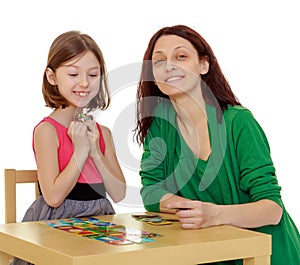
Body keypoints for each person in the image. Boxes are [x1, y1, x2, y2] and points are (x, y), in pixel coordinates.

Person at [135, 25, 299, 265]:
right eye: (159, 61)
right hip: (212, 255)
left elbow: (272, 209)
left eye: (181, 56)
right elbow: (151, 191)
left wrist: (213, 214)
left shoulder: (238, 122)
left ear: (203, 65)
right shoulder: (160, 126)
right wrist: (191, 209)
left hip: (267, 256)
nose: (169, 65)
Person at [11, 31, 126, 265]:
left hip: (100, 224)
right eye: (73, 73)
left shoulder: (103, 134)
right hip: (55, 223)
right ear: (52, 77)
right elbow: (53, 197)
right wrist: (81, 151)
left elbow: (119, 192)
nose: (84, 83)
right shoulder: (47, 131)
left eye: (93, 74)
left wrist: (95, 150)